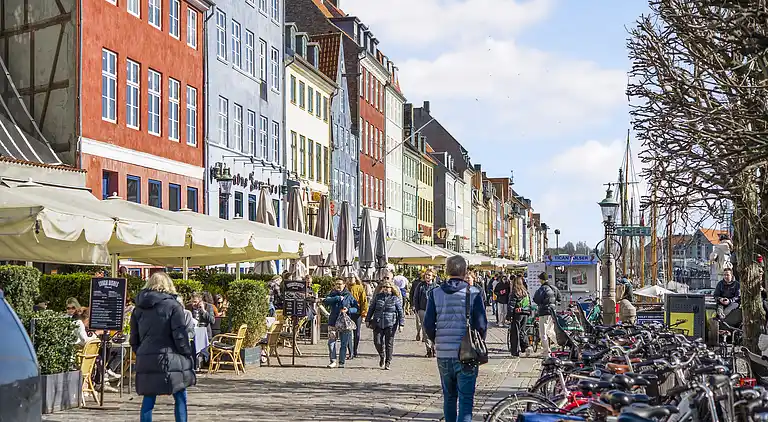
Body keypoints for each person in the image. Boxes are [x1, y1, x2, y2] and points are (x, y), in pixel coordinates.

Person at [424, 255, 487, 422]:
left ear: (446, 271)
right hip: (467, 354)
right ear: (465, 271)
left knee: (449, 397)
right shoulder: (473, 293)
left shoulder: (435, 293)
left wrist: (437, 339)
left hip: (444, 353)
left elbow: (428, 324)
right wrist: (478, 342)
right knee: (466, 399)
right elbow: (481, 325)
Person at [130, 272, 195, 422]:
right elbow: (180, 334)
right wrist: (186, 353)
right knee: (179, 395)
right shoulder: (174, 306)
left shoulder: (138, 309)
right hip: (171, 355)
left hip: (147, 355)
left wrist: (140, 352)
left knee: (148, 399)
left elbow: (134, 337)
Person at [366, 278, 405, 370]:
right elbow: (371, 308)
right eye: (384, 287)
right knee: (377, 342)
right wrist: (368, 320)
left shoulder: (395, 298)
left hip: (391, 323)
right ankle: (382, 355)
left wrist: (401, 324)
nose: (385, 288)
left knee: (389, 343)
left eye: (387, 287)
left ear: (391, 288)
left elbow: (400, 311)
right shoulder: (378, 297)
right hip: (378, 322)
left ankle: (388, 362)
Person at [323, 279, 359, 368]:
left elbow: (356, 308)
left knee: (344, 343)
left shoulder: (349, 295)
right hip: (333, 321)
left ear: (344, 285)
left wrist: (348, 310)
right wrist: (337, 298)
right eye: (336, 284)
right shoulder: (332, 294)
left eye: (340, 284)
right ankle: (333, 360)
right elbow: (326, 301)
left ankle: (341, 362)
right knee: (331, 342)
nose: (338, 286)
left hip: (344, 323)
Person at [532, 272, 560, 357]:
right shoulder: (554, 288)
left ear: (541, 279)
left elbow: (536, 299)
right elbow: (559, 298)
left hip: (544, 312)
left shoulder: (542, 289)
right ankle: (560, 344)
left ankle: (546, 351)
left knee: (543, 332)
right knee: (550, 330)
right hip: (552, 312)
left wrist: (542, 304)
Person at [411, 268, 437, 357]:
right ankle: (428, 349)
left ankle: (434, 348)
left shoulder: (436, 287)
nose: (427, 276)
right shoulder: (420, 286)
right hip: (423, 310)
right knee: (425, 331)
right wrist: (418, 310)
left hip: (434, 312)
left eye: (429, 275)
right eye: (426, 275)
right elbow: (415, 297)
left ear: (433, 276)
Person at [506, 276, 530, 357]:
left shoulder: (515, 292)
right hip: (525, 313)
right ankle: (526, 346)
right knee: (522, 331)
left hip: (517, 314)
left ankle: (515, 352)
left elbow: (511, 305)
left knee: (515, 333)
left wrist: (509, 316)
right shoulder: (525, 291)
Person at [346, 274, 368, 359]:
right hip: (347, 313)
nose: (351, 279)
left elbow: (364, 301)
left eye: (352, 277)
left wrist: (364, 314)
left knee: (357, 333)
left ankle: (355, 350)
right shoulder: (345, 288)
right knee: (347, 332)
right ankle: (350, 351)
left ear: (355, 278)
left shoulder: (359, 288)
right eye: (349, 277)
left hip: (357, 313)